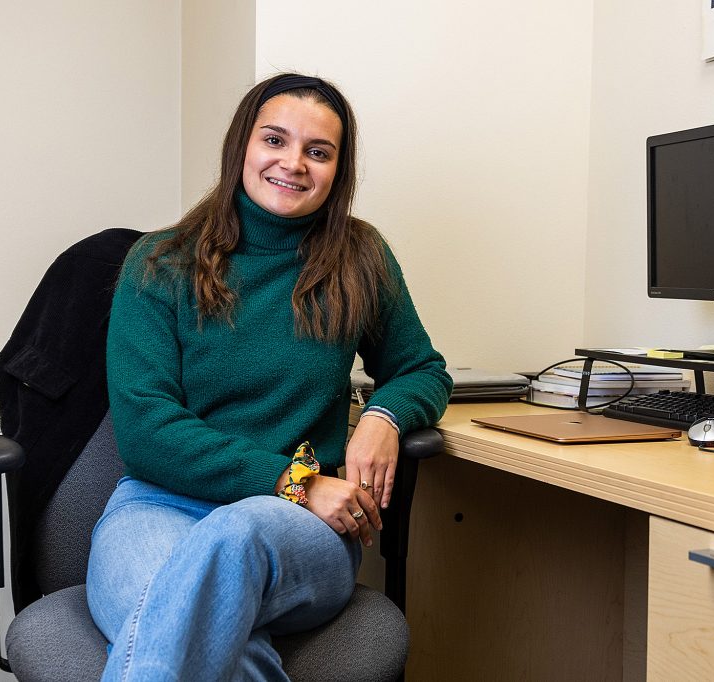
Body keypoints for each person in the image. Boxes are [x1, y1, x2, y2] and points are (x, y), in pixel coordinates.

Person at [86, 73, 452, 681]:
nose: (293, 163)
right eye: (275, 140)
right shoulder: (159, 263)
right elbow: (147, 430)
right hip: (156, 511)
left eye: (318, 151)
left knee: (239, 532)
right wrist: (299, 480)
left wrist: (385, 416)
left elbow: (421, 370)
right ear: (241, 148)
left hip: (292, 529)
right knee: (229, 648)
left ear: (339, 169)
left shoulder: (359, 258)